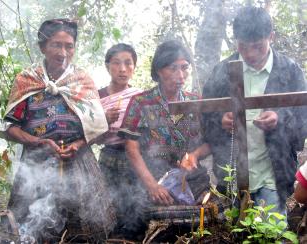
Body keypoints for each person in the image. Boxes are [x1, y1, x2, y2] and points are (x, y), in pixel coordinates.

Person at [2, 18, 115, 243]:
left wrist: (79, 144)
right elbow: (10, 127)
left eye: (69, 46)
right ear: (43, 46)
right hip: (36, 166)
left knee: (87, 230)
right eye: (56, 45)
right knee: (29, 230)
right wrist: (39, 142)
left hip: (80, 165)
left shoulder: (82, 81)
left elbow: (98, 128)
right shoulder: (27, 80)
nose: (63, 52)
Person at [202, 6, 307, 215]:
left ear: (271, 37)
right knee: (231, 234)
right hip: (231, 173)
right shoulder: (222, 72)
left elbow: (304, 121)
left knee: (272, 233)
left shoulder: (290, 71)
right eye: (243, 46)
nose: (250, 54)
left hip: (273, 173)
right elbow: (204, 118)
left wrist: (280, 118)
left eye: (258, 46)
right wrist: (220, 120)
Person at [118, 40, 211, 235]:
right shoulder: (142, 103)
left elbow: (211, 142)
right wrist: (152, 186)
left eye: (185, 68)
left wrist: (193, 155)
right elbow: (131, 149)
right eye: (173, 68)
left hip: (191, 180)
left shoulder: (196, 101)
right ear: (159, 70)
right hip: (151, 180)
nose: (180, 75)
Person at [97, 43, 142, 235]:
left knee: (135, 205)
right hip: (108, 157)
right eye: (116, 63)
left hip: (136, 158)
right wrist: (103, 120)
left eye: (128, 63)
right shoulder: (96, 97)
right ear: (107, 66)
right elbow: (89, 136)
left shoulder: (140, 97)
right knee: (109, 204)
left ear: (134, 67)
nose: (123, 69)